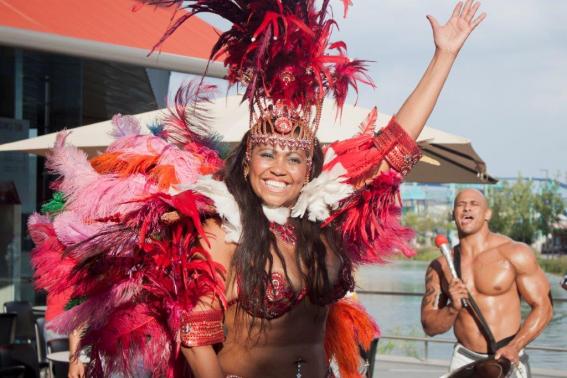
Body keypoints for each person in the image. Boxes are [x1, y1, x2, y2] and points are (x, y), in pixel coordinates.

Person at [29, 1, 485, 377]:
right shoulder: (222, 229)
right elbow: (195, 338)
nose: (279, 169)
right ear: (246, 163)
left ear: (311, 169)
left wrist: (444, 55)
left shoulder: (323, 220)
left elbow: (393, 147)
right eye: (267, 154)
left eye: (294, 158)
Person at [421, 189, 554, 378]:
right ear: (453, 215)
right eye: (460, 204)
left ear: (487, 214)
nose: (467, 208)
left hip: (507, 357)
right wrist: (452, 308)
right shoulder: (440, 266)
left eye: (474, 204)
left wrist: (515, 347)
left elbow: (544, 307)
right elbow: (430, 327)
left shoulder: (515, 253)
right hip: (464, 359)